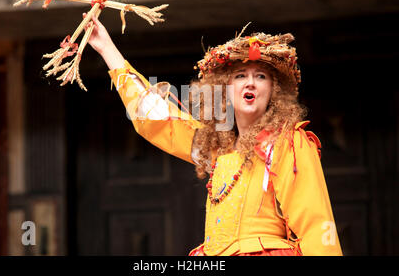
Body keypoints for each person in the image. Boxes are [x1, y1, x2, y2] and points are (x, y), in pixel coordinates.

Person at [83, 13, 343, 256]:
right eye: (240, 76)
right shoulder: (218, 147)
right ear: (225, 90)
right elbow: (157, 117)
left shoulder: (288, 142)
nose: (250, 82)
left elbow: (316, 224)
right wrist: (106, 48)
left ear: (274, 91)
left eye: (260, 76)